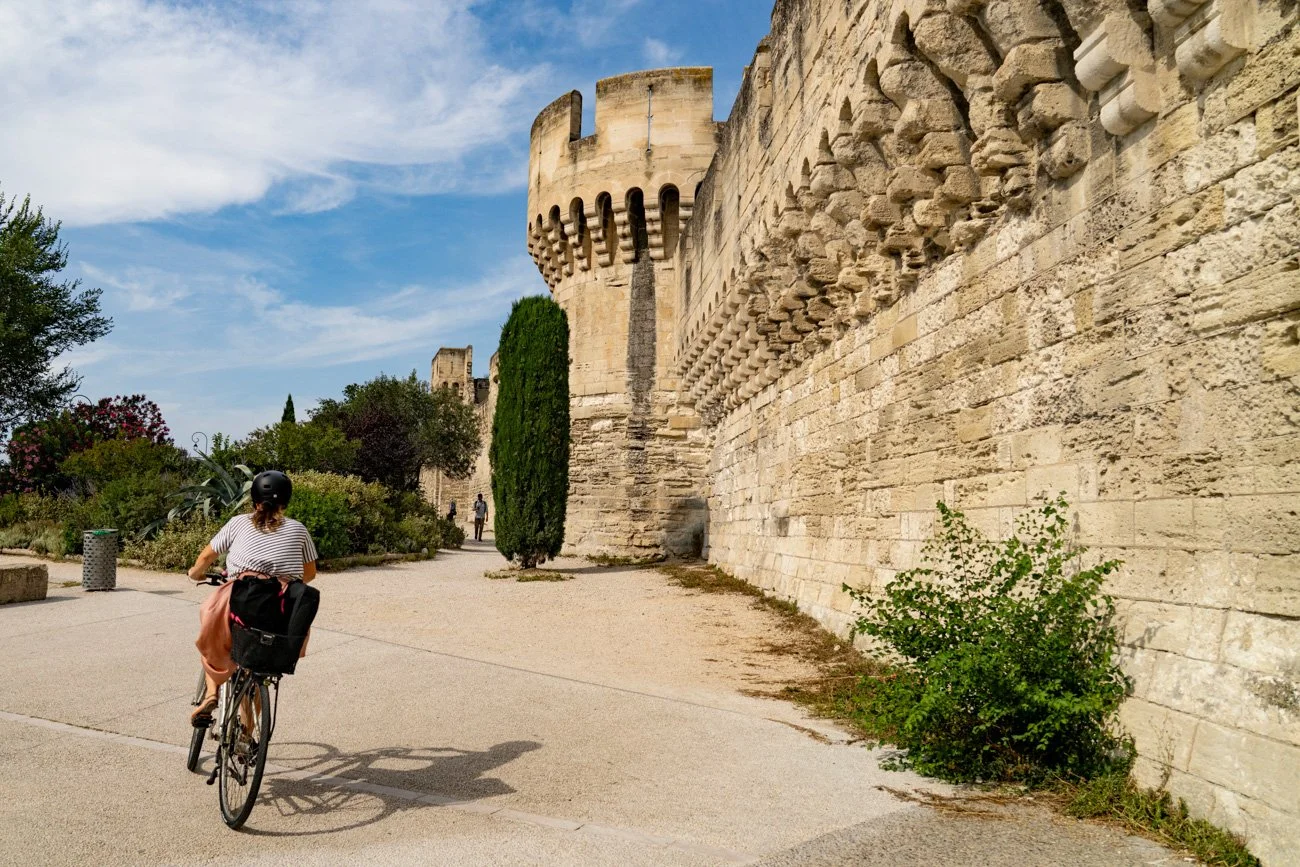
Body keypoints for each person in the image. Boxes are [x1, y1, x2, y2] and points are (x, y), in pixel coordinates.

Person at [186, 470, 318, 726]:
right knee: (257, 666)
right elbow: (309, 574)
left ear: (254, 500)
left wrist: (194, 573)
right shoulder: (299, 529)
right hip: (280, 611)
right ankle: (247, 733)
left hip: (243, 598)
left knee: (211, 639)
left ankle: (212, 694)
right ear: (286, 501)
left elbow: (205, 559)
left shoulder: (238, 522)